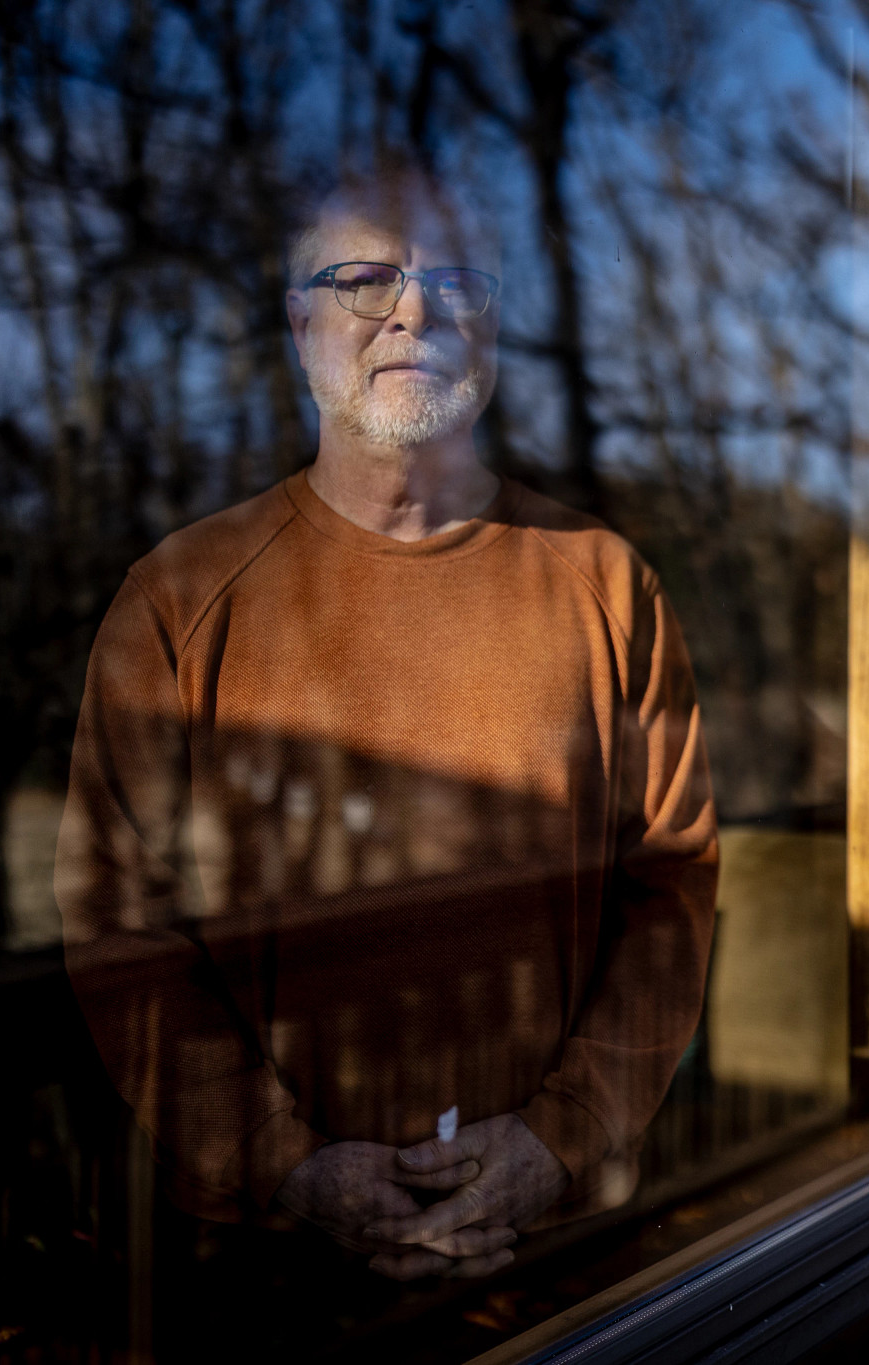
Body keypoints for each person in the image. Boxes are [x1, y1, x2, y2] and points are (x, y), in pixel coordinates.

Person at [54, 166, 719, 1285]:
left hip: (555, 1258)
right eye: (364, 279)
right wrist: (285, 1162)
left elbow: (673, 889)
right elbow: (118, 926)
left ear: (491, 323)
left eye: (456, 281)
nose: (414, 309)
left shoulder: (607, 584)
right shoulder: (179, 597)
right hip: (267, 1273)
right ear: (298, 323)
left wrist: (560, 1137)